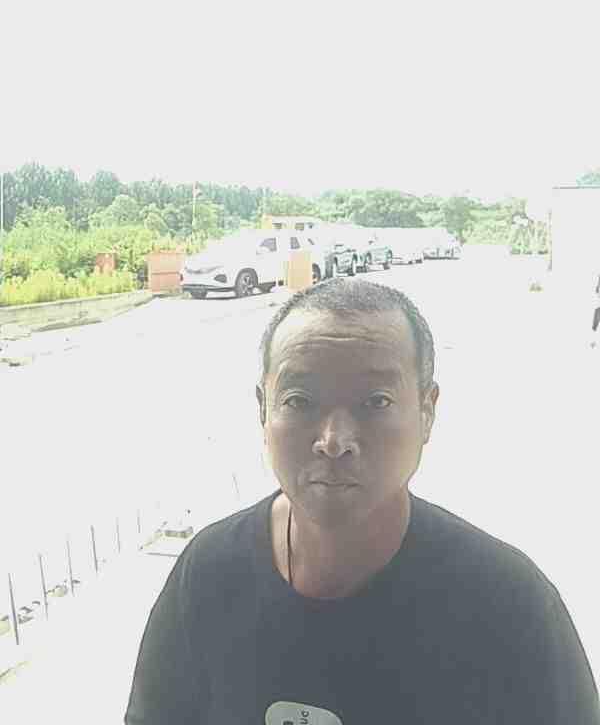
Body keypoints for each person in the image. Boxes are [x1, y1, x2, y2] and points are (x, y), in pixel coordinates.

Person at [125, 278, 599, 724]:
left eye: (375, 402)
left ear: (427, 411)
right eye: (299, 400)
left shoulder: (508, 604)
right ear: (263, 410)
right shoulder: (208, 576)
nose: (334, 441)